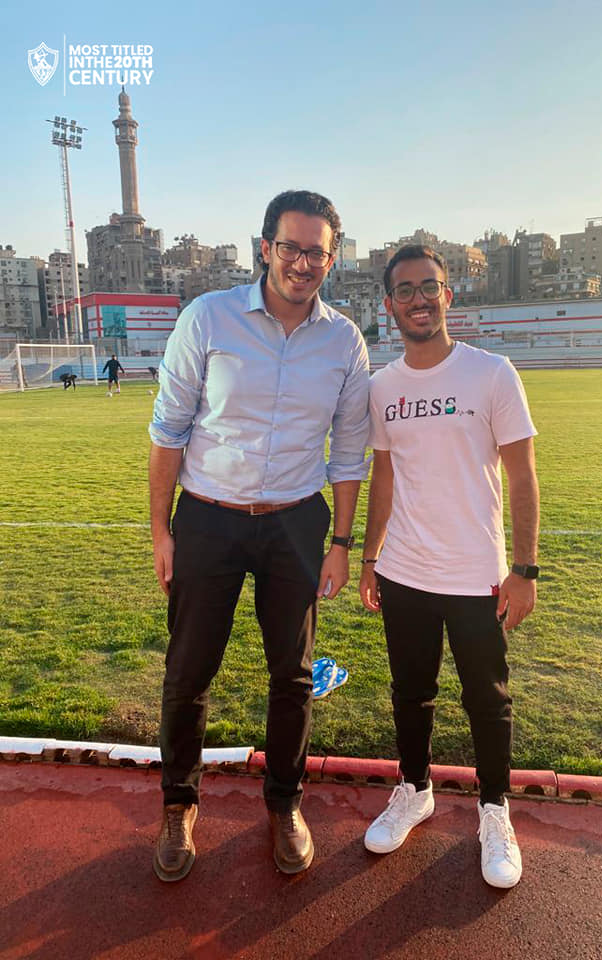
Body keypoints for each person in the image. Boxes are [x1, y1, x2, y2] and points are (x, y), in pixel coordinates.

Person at [148, 190, 370, 881]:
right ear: (266, 247)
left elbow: (349, 452)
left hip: (295, 523)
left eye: (316, 252)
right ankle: (179, 805)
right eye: (291, 247)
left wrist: (341, 544)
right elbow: (168, 429)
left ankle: (284, 803)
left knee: (293, 676)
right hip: (208, 518)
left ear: (332, 257)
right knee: (189, 670)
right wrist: (160, 530)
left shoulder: (344, 340)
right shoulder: (208, 317)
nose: (302, 263)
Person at [359, 245, 539, 890]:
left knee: (487, 699)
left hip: (475, 574)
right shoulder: (382, 387)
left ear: (447, 295)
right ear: (389, 304)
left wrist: (525, 569)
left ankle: (494, 810)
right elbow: (384, 477)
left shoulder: (491, 374)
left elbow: (523, 476)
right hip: (404, 570)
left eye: (429, 287)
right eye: (405, 290)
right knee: (411, 692)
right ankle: (414, 790)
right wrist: (371, 558)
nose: (419, 299)